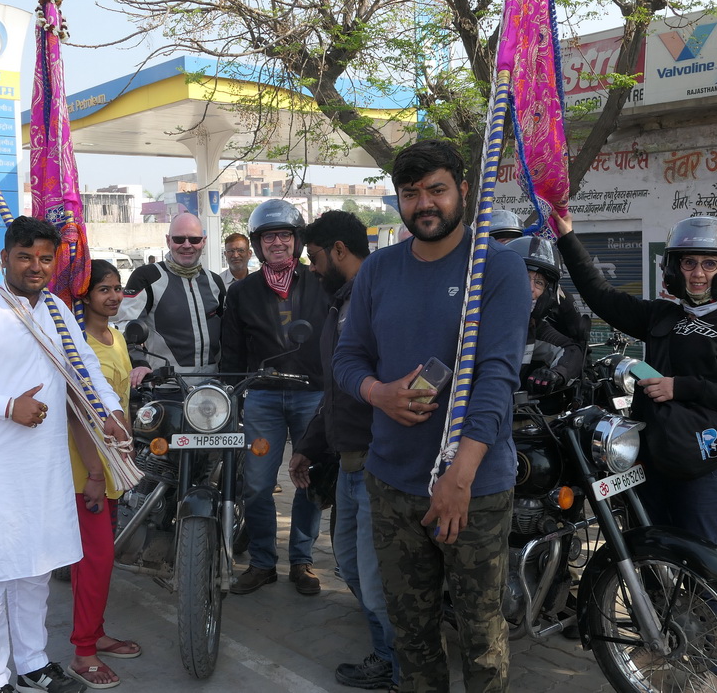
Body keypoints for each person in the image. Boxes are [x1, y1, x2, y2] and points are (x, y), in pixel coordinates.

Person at [334, 139, 529, 692]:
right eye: (411, 192)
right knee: (410, 632)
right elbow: (348, 359)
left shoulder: (498, 269)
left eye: (437, 190)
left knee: (480, 634)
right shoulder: (377, 271)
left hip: (474, 488)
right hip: (391, 481)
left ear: (464, 191)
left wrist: (459, 477)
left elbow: (496, 380)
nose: (425, 204)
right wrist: (379, 393)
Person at [0, 216, 129, 693]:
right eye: (25, 257)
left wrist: (112, 410)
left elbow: (84, 371)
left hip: (44, 470)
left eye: (44, 258)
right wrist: (6, 407)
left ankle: (34, 664)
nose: (35, 267)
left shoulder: (58, 312)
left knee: (36, 572)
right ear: (5, 259)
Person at [552, 213, 717, 545]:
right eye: (689, 263)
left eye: (710, 264)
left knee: (702, 566)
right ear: (674, 267)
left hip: (701, 467)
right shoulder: (661, 315)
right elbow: (599, 293)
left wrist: (683, 386)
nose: (698, 274)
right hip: (648, 463)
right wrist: (566, 234)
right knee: (649, 554)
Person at [288, 210, 396, 690]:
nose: (310, 268)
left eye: (313, 257)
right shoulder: (339, 306)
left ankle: (399, 666)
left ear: (337, 250)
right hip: (350, 466)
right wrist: (308, 447)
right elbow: (335, 391)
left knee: (375, 579)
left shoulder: (378, 300)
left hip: (378, 465)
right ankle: (388, 653)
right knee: (351, 566)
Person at [221, 198, 331, 596]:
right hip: (263, 399)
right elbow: (231, 355)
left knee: (308, 481)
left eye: (285, 234)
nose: (278, 243)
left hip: (313, 397)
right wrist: (231, 398)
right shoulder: (241, 292)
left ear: (297, 240)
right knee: (257, 484)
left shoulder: (320, 282)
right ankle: (263, 562)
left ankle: (302, 561)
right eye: (270, 237)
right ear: (257, 244)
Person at [65, 259, 143, 689]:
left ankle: (95, 634)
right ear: (85, 296)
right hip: (87, 467)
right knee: (95, 558)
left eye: (117, 289)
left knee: (98, 558)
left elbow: (120, 398)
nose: (113, 296)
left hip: (112, 463)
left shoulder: (114, 337)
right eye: (104, 290)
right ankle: (83, 653)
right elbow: (77, 413)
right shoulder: (78, 346)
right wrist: (94, 472)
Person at [116, 213, 225, 385]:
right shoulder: (147, 277)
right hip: (167, 385)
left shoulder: (215, 282)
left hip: (213, 386)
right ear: (168, 241)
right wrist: (139, 364)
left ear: (204, 241)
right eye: (179, 239)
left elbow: (228, 333)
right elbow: (125, 327)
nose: (187, 245)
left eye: (194, 239)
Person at [503, 237, 587, 405]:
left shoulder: (533, 327)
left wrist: (557, 373)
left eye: (539, 282)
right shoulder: (472, 318)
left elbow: (570, 349)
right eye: (523, 276)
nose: (531, 288)